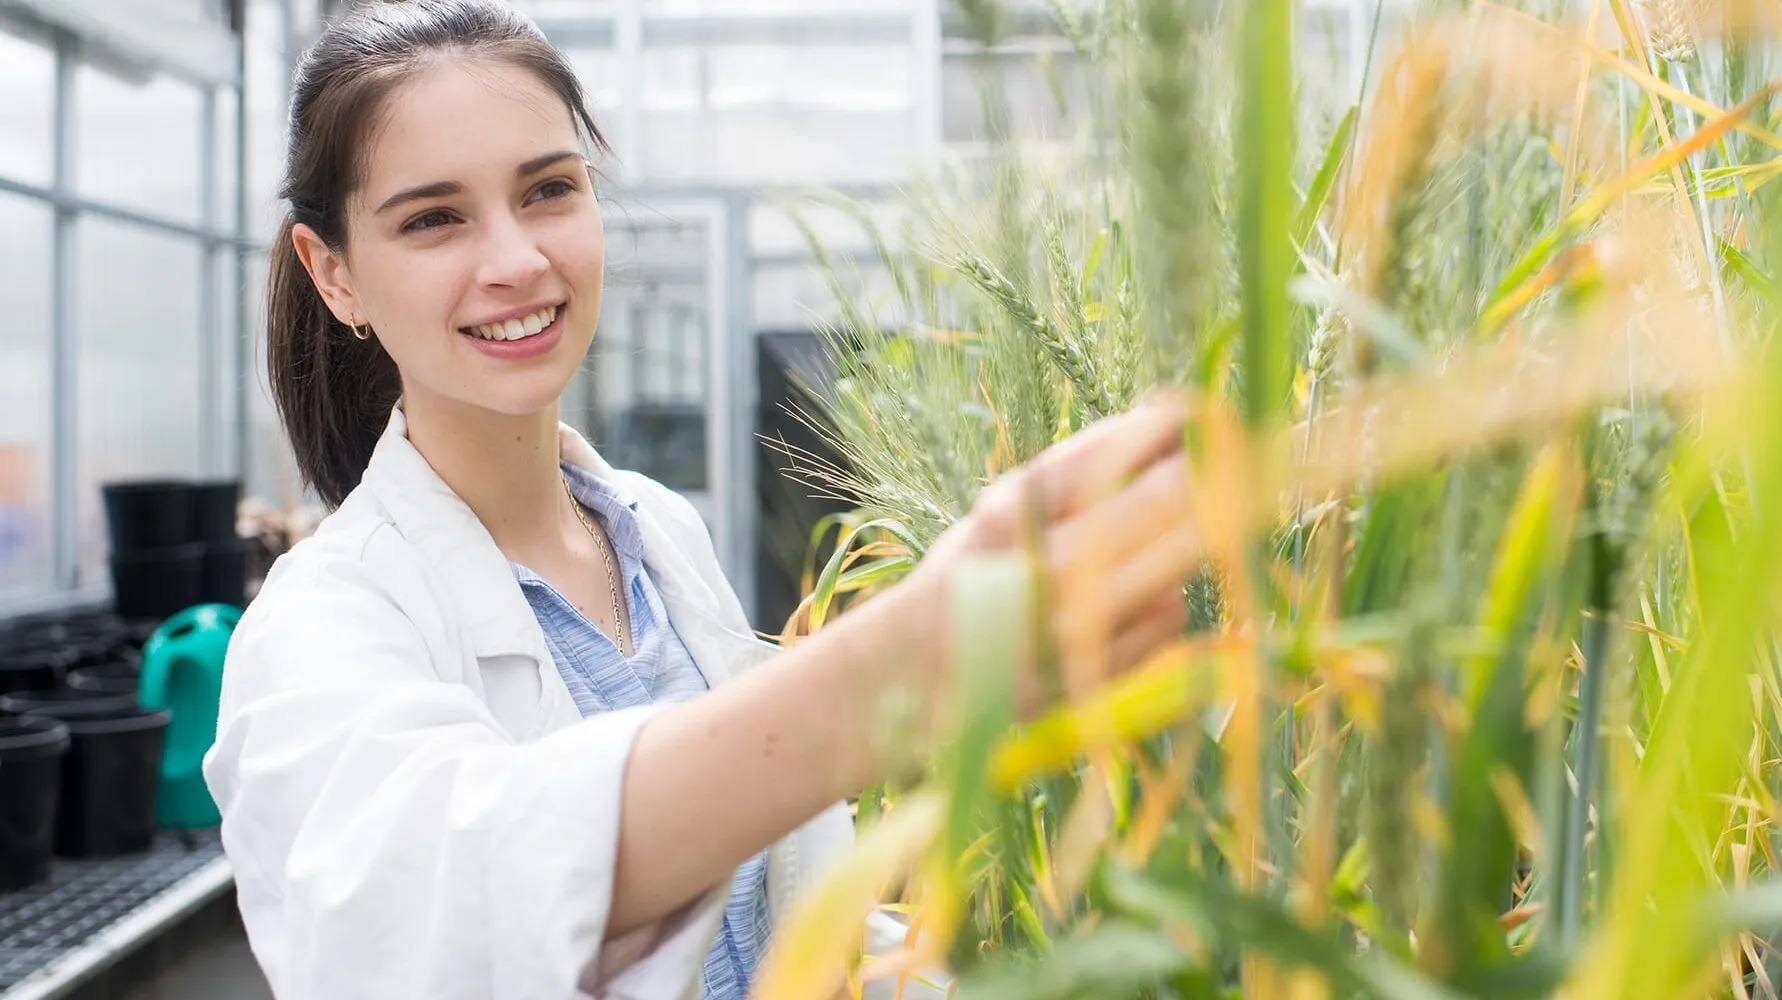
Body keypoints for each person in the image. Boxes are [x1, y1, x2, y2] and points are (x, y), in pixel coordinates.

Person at [201, 1, 1206, 998]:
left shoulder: (653, 529)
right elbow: (452, 909)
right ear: (332, 273)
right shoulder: (317, 628)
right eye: (433, 218)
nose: (514, 261)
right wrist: (891, 678)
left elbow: (770, 910)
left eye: (549, 190)